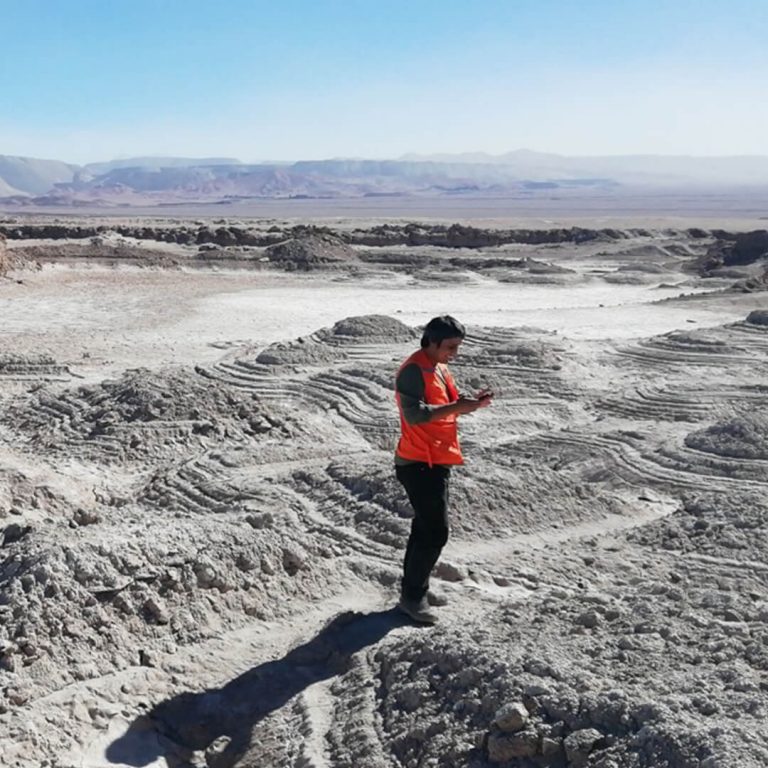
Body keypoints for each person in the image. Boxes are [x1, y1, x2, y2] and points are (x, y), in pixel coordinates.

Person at [394, 315, 492, 624]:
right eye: (450, 347)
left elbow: (448, 406)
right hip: (418, 462)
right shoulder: (414, 370)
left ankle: (414, 592)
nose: (455, 353)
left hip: (436, 460)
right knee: (436, 532)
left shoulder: (439, 368)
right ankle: (413, 598)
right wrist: (457, 408)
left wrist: (471, 404)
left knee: (424, 529)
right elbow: (415, 416)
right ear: (431, 342)